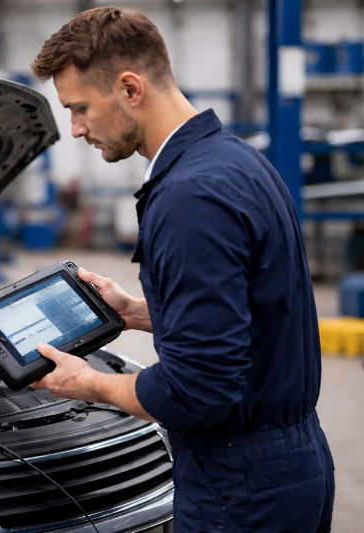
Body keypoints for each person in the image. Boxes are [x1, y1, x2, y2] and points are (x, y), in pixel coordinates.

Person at [29, 6, 335, 532]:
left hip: (240, 486)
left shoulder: (189, 197)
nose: (76, 129)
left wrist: (89, 383)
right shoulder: (234, 160)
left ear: (130, 88)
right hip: (289, 465)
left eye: (80, 108)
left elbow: (199, 391)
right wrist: (136, 312)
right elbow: (253, 312)